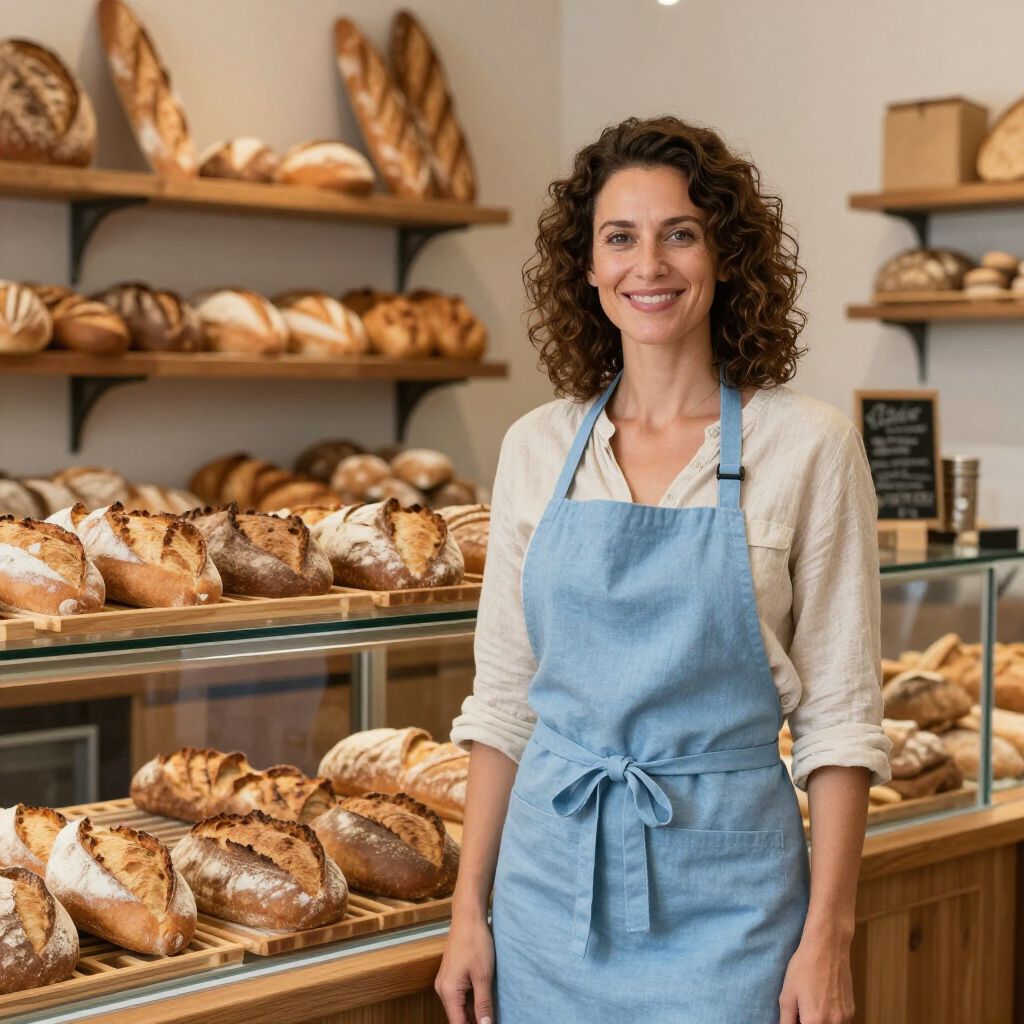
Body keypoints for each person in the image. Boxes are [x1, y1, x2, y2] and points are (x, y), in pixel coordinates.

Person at [435, 115, 892, 1024]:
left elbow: (841, 724)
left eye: (680, 233)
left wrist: (827, 937)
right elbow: (503, 700)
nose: (650, 265)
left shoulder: (809, 446)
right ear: (590, 268)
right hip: (545, 894)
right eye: (621, 238)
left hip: (734, 901)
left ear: (725, 256)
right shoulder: (538, 446)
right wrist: (467, 911)